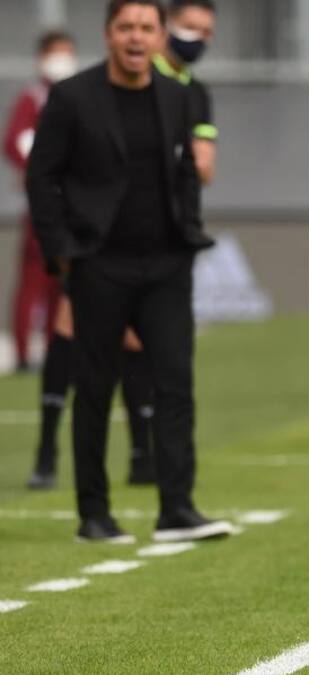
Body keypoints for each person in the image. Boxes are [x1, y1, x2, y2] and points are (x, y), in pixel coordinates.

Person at [26, 0, 234, 544]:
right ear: (108, 35)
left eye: (146, 28)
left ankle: (177, 509)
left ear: (159, 36)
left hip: (166, 263)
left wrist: (188, 229)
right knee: (95, 388)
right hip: (99, 264)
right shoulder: (73, 97)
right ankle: (94, 515)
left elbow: (187, 171)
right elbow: (41, 177)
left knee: (175, 383)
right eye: (126, 28)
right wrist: (62, 252)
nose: (136, 37)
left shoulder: (177, 95)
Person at [4, 31, 76, 376]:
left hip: (73, 206)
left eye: (68, 53)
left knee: (60, 284)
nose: (63, 60)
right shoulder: (33, 98)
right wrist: (38, 170)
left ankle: (54, 350)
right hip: (43, 206)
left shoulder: (77, 97)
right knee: (34, 279)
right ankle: (22, 352)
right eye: (56, 53)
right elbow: (15, 142)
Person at [153, 0, 218, 185]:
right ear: (166, 24)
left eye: (206, 32)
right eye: (190, 27)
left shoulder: (198, 93)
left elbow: (204, 169)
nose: (198, 37)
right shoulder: (139, 77)